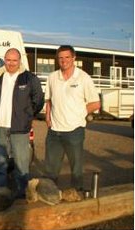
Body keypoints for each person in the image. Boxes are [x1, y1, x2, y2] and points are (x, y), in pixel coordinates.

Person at [44, 45, 101, 190]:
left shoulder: (83, 78)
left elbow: (96, 103)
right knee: (50, 170)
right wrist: (48, 119)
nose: (64, 60)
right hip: (54, 132)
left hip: (74, 131)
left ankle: (77, 195)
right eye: (60, 57)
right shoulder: (52, 77)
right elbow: (49, 100)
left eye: (67, 57)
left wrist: (79, 113)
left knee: (76, 170)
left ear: (74, 58)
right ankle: (49, 194)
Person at [0, 48, 44, 198]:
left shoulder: (29, 78)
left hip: (20, 129)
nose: (11, 63)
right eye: (8, 60)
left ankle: (22, 194)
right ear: (4, 60)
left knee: (21, 164)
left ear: (19, 61)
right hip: (0, 127)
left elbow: (38, 99)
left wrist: (27, 116)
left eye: (14, 60)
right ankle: (1, 193)